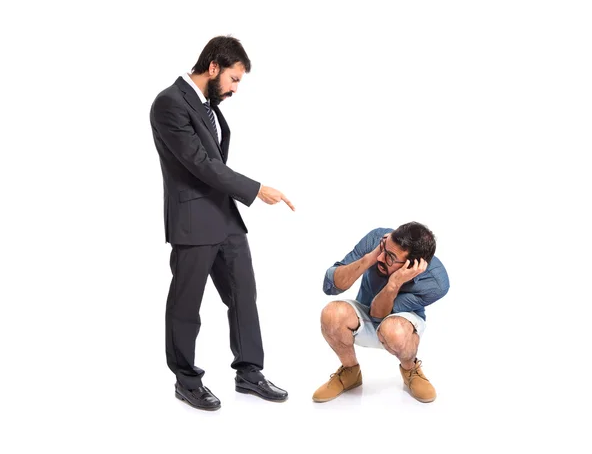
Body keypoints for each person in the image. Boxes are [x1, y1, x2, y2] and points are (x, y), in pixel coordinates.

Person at [149, 36, 293, 411]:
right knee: (186, 305)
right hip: (193, 220)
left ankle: (249, 372)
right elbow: (201, 164)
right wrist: (256, 188)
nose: (234, 88)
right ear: (213, 67)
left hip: (225, 217)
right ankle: (186, 380)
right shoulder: (168, 103)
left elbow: (213, 162)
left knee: (244, 295)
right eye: (233, 79)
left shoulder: (208, 107)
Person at [313, 222, 450, 404]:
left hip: (402, 323)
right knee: (332, 314)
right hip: (365, 310)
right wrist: (369, 258)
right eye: (384, 249)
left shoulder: (436, 283)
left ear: (411, 265)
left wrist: (394, 283)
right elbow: (330, 286)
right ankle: (350, 371)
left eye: (391, 257)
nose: (381, 258)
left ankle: (410, 369)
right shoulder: (378, 240)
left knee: (393, 330)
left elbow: (381, 315)